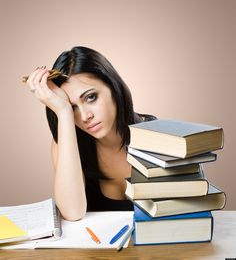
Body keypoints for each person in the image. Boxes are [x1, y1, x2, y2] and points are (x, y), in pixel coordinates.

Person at [26, 46, 156, 221]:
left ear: (113, 86)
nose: (85, 116)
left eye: (90, 97)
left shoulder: (159, 137)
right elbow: (72, 213)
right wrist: (64, 113)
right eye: (73, 107)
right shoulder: (66, 143)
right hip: (98, 248)